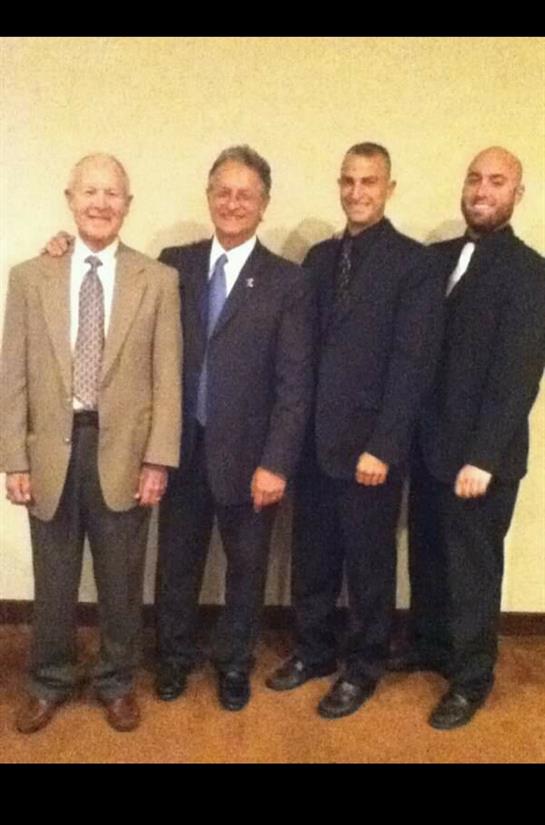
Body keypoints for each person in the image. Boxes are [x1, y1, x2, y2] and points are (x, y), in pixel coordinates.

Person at [0, 154, 182, 733]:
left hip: (124, 453)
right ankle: (49, 679)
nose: (100, 203)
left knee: (121, 579)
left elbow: (167, 376)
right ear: (70, 198)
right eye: (90, 192)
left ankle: (116, 680)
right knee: (53, 581)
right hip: (52, 450)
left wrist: (159, 458)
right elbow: (14, 375)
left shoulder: (158, 280)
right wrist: (13, 458)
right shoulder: (31, 276)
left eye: (112, 193)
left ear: (128, 204)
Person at [267, 143, 442, 719]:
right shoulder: (317, 259)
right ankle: (314, 650)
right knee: (312, 559)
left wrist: (385, 447)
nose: (357, 192)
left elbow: (412, 365)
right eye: (348, 180)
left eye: (369, 181)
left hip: (371, 450)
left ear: (389, 188)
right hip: (315, 445)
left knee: (368, 568)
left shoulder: (413, 264)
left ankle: (363, 666)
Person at [154, 145, 314, 711]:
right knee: (176, 564)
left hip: (252, 459)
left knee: (245, 573)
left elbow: (295, 386)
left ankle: (233, 664)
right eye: (223, 190)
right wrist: (61, 249)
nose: (232, 202)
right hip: (181, 448)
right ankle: (172, 659)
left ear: (264, 205)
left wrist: (277, 462)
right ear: (208, 195)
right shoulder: (173, 264)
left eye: (246, 193)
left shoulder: (287, 282)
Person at [393, 146, 545, 729]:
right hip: (429, 450)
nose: (483, 189)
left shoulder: (530, 273)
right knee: (429, 558)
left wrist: (482, 457)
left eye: (498, 181)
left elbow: (518, 375)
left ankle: (472, 677)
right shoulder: (436, 260)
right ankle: (431, 644)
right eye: (476, 178)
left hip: (482, 461)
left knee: (473, 572)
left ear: (516, 195)